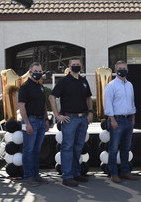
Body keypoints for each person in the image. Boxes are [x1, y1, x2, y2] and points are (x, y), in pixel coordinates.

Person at [49, 58, 93, 187]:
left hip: (82, 119)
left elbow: (88, 98)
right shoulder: (64, 81)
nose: (76, 66)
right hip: (70, 119)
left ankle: (76, 173)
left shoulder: (83, 81)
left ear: (81, 66)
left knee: (78, 147)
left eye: (78, 65)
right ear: (69, 66)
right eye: (73, 65)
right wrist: (57, 115)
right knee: (67, 147)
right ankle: (67, 176)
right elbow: (52, 97)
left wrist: (90, 112)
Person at [104, 60, 138, 183]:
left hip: (128, 120)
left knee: (126, 147)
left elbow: (132, 102)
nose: (123, 70)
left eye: (125, 68)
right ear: (115, 70)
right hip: (117, 120)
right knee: (113, 148)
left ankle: (125, 172)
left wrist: (133, 117)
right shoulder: (111, 86)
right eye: (120, 68)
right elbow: (108, 105)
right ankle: (113, 173)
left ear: (127, 70)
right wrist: (112, 120)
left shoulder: (130, 85)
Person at [18, 62, 50, 187]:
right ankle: (28, 176)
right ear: (30, 72)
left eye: (40, 71)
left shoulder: (40, 87)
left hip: (41, 121)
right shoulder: (25, 87)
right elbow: (21, 106)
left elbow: (43, 105)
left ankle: (36, 174)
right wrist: (27, 123)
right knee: (29, 150)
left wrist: (46, 120)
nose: (38, 73)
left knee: (37, 150)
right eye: (35, 71)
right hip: (30, 121)